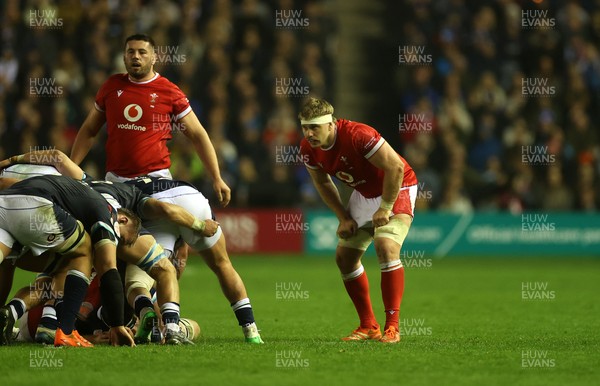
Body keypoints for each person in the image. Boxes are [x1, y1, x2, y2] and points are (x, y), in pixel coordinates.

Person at [0, 149, 264, 343]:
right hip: (81, 223)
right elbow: (164, 209)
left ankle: (34, 316)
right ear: (126, 220)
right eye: (124, 240)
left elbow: (56, 157)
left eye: (123, 243)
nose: (119, 245)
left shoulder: (83, 181)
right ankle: (171, 326)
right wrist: (199, 225)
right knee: (164, 269)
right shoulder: (129, 201)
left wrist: (11, 161)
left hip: (40, 212)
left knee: (54, 270)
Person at [298, 97, 418, 343]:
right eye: (305, 128)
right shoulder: (308, 148)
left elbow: (395, 167)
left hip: (396, 186)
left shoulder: (358, 135)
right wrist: (342, 217)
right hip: (364, 193)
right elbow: (321, 181)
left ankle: (392, 327)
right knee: (344, 258)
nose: (309, 133)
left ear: (331, 125)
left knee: (385, 246)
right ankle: (368, 326)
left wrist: (385, 207)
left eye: (314, 127)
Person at [69, 33, 231, 207]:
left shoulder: (169, 91)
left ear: (154, 57)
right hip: (116, 183)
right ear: (124, 57)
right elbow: (89, 130)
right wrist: (70, 169)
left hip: (156, 181)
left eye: (142, 52)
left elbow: (198, 134)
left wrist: (217, 177)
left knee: (162, 231)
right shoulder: (111, 86)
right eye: (130, 52)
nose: (136, 56)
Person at [0, 175, 140, 347]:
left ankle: (11, 312)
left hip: (5, 202)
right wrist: (117, 325)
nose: (117, 248)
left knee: (10, 261)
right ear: (122, 220)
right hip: (37, 205)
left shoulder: (74, 206)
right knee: (84, 251)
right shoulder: (107, 212)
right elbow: (108, 266)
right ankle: (66, 331)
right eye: (122, 241)